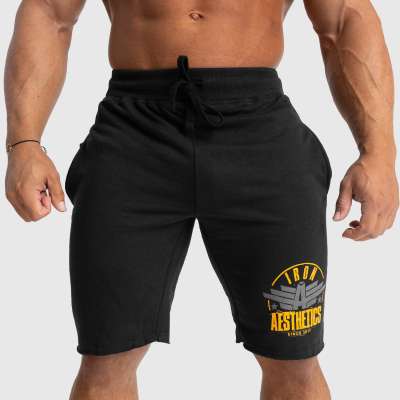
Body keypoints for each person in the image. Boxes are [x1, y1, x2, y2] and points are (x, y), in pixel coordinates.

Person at [4, 1, 398, 399]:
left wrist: (380, 153)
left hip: (260, 136)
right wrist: (24, 143)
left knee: (294, 358)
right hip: (132, 135)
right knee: (106, 356)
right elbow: (48, 11)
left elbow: (345, 18)